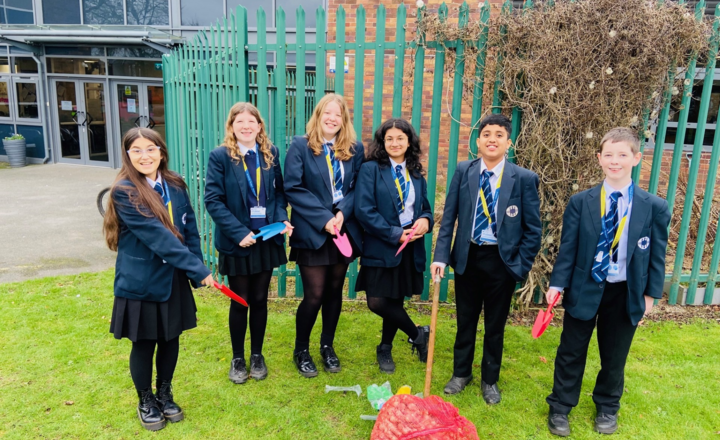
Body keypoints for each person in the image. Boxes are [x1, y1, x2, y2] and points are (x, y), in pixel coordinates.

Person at [544, 127, 671, 437]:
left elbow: (656, 254)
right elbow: (568, 248)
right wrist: (556, 285)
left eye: (623, 155)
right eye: (609, 155)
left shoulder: (654, 206)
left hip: (625, 291)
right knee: (571, 351)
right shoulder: (581, 201)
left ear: (636, 159)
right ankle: (560, 407)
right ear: (599, 158)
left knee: (615, 355)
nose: (616, 161)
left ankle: (607, 407)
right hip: (585, 286)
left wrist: (649, 297)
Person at [104, 127, 214, 431]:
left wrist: (195, 269)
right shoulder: (124, 191)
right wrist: (198, 270)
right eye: (136, 150)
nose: (145, 156)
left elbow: (189, 229)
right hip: (141, 281)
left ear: (161, 152)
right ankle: (145, 400)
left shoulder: (176, 184)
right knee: (144, 343)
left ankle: (165, 394)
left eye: (150, 149)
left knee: (170, 338)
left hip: (173, 278)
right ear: (128, 155)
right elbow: (159, 238)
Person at [431, 114, 542, 403]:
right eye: (487, 134)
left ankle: (490, 380)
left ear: (509, 142)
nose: (492, 139)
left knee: (495, 324)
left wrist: (517, 265)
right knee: (465, 320)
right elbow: (448, 219)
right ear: (477, 141)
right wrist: (441, 256)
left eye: (499, 135)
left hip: (501, 262)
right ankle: (461, 372)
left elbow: (533, 230)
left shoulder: (524, 179)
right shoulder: (464, 171)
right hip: (468, 257)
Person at [204, 102, 292, 384]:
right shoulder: (220, 157)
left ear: (259, 126)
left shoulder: (270, 153)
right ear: (231, 126)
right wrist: (237, 232)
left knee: (260, 299)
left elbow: (279, 194)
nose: (246, 126)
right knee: (240, 301)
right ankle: (238, 358)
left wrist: (280, 221)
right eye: (239, 122)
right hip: (237, 242)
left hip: (265, 240)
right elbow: (213, 200)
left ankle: (257, 355)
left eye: (251, 121)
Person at [283, 93, 364, 378]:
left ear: (344, 120)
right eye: (327, 113)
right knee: (314, 295)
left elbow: (357, 187)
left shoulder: (354, 148)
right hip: (313, 230)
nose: (332, 119)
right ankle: (301, 350)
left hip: (343, 228)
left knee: (333, 292)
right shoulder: (300, 146)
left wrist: (342, 212)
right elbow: (293, 188)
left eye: (338, 114)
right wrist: (325, 219)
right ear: (318, 116)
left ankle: (327, 346)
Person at [354, 118, 434, 374]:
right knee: (377, 302)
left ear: (409, 141)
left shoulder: (416, 172)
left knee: (395, 300)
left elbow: (425, 208)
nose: (395, 143)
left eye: (400, 138)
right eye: (389, 138)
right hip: (382, 245)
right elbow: (364, 210)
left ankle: (385, 348)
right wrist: (394, 233)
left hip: (409, 248)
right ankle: (418, 334)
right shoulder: (371, 169)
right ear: (382, 142)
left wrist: (425, 220)